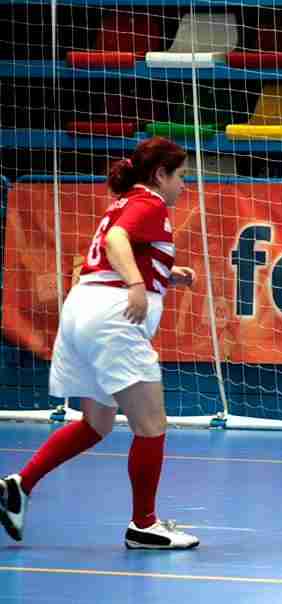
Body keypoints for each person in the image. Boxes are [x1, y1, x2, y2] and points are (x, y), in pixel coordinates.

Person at [0, 137, 200, 550]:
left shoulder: (124, 202)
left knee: (96, 424)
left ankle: (20, 485)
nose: (185, 185)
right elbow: (116, 242)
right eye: (181, 176)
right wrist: (136, 284)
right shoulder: (150, 203)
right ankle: (144, 525)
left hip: (82, 311)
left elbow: (117, 252)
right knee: (151, 425)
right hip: (112, 319)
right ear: (160, 175)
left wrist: (164, 275)